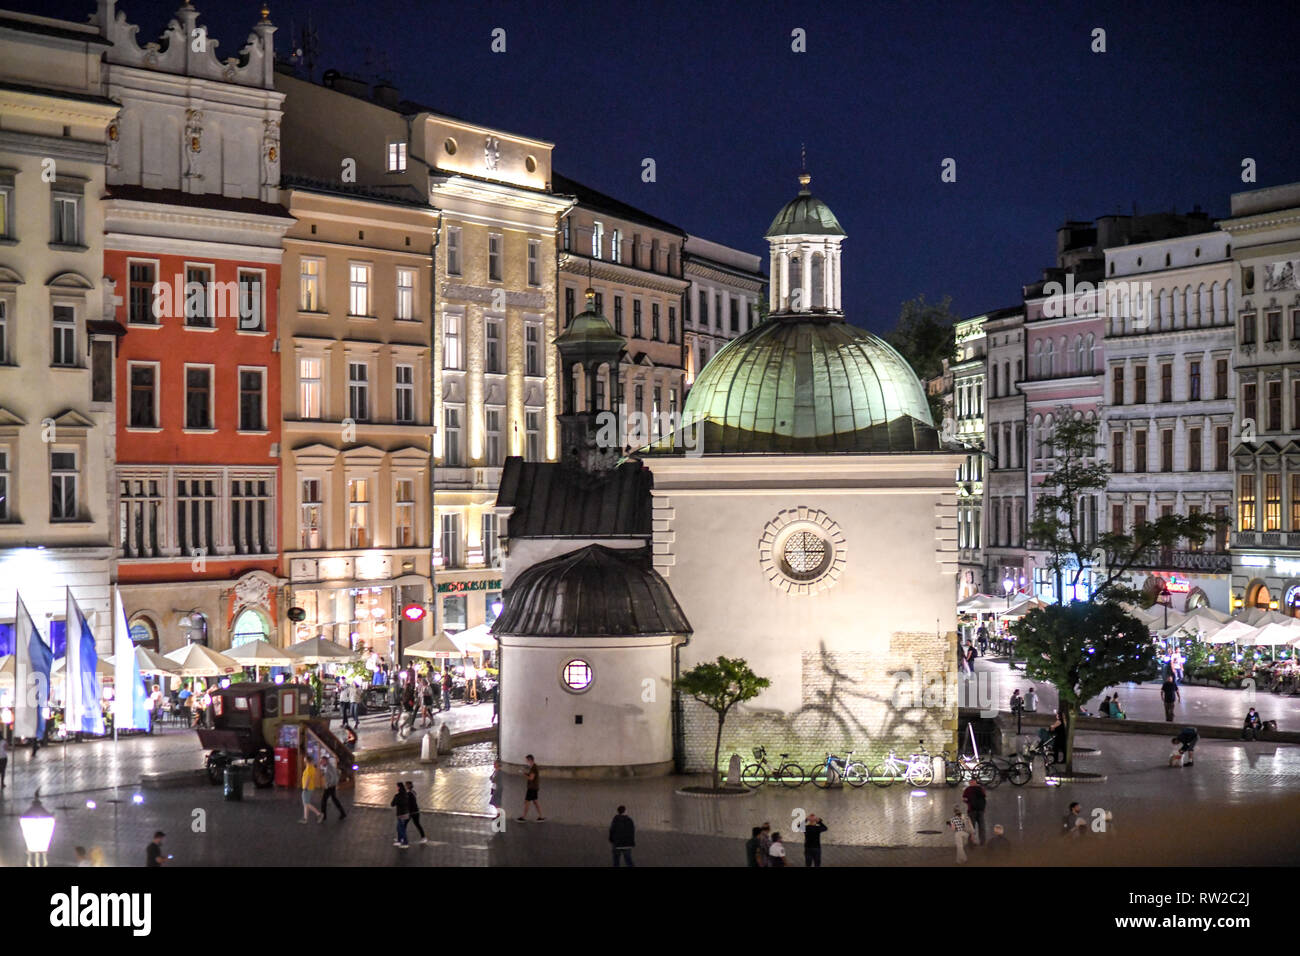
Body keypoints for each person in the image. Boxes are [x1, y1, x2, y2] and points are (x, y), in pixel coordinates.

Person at [518, 754, 544, 821]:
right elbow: (531, 775)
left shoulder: (533, 768)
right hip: (534, 787)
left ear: (530, 760)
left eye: (527, 760)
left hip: (532, 788)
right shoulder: (533, 767)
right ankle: (541, 816)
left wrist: (524, 775)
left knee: (527, 801)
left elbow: (531, 778)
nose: (526, 762)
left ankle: (523, 817)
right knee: (535, 802)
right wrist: (525, 773)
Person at [320, 755, 346, 821]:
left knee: (324, 800)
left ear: (326, 761)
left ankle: (323, 816)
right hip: (331, 786)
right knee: (334, 800)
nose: (321, 762)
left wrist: (329, 784)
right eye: (321, 761)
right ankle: (343, 813)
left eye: (323, 761)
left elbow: (334, 777)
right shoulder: (326, 767)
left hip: (330, 787)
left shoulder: (330, 767)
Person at [962, 779, 987, 846]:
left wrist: (968, 802)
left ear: (970, 783)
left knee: (971, 827)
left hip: (971, 810)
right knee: (982, 827)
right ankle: (982, 842)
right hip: (980, 810)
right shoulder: (981, 789)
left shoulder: (967, 790)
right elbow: (984, 797)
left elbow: (964, 799)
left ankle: (971, 842)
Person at [300, 755, 324, 823]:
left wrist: (305, 787)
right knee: (305, 803)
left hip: (307, 788)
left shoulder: (309, 768)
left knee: (306, 803)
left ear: (307, 760)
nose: (303, 760)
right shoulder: (312, 767)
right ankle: (305, 818)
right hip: (310, 787)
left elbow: (308, 778)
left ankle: (319, 814)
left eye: (304, 759)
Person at [391, 782, 411, 848]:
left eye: (397, 787)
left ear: (399, 787)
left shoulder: (398, 795)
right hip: (406, 813)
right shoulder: (406, 794)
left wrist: (395, 797)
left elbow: (392, 804)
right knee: (399, 828)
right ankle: (399, 840)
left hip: (401, 814)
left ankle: (405, 843)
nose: (396, 788)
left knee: (401, 829)